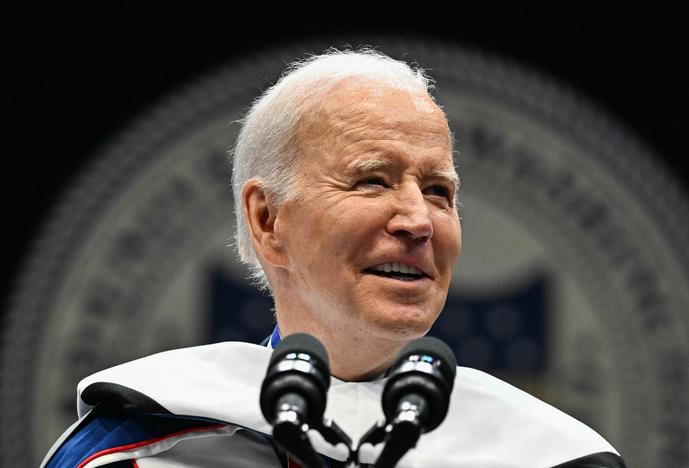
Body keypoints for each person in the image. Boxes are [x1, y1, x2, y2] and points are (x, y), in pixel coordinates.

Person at [41, 49, 626, 467]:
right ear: (268, 221)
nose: (419, 221)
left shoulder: (550, 456)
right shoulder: (137, 449)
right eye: (372, 181)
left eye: (439, 191)